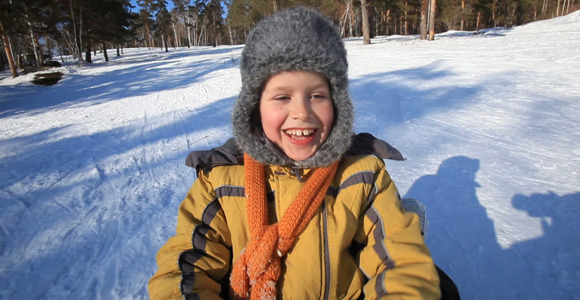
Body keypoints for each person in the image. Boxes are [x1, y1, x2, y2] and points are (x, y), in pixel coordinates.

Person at [148, 7, 441, 299]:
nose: (301, 112)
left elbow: (401, 261)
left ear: (337, 104)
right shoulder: (220, 182)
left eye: (317, 95)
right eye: (282, 97)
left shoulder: (362, 175)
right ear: (254, 108)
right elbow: (185, 267)